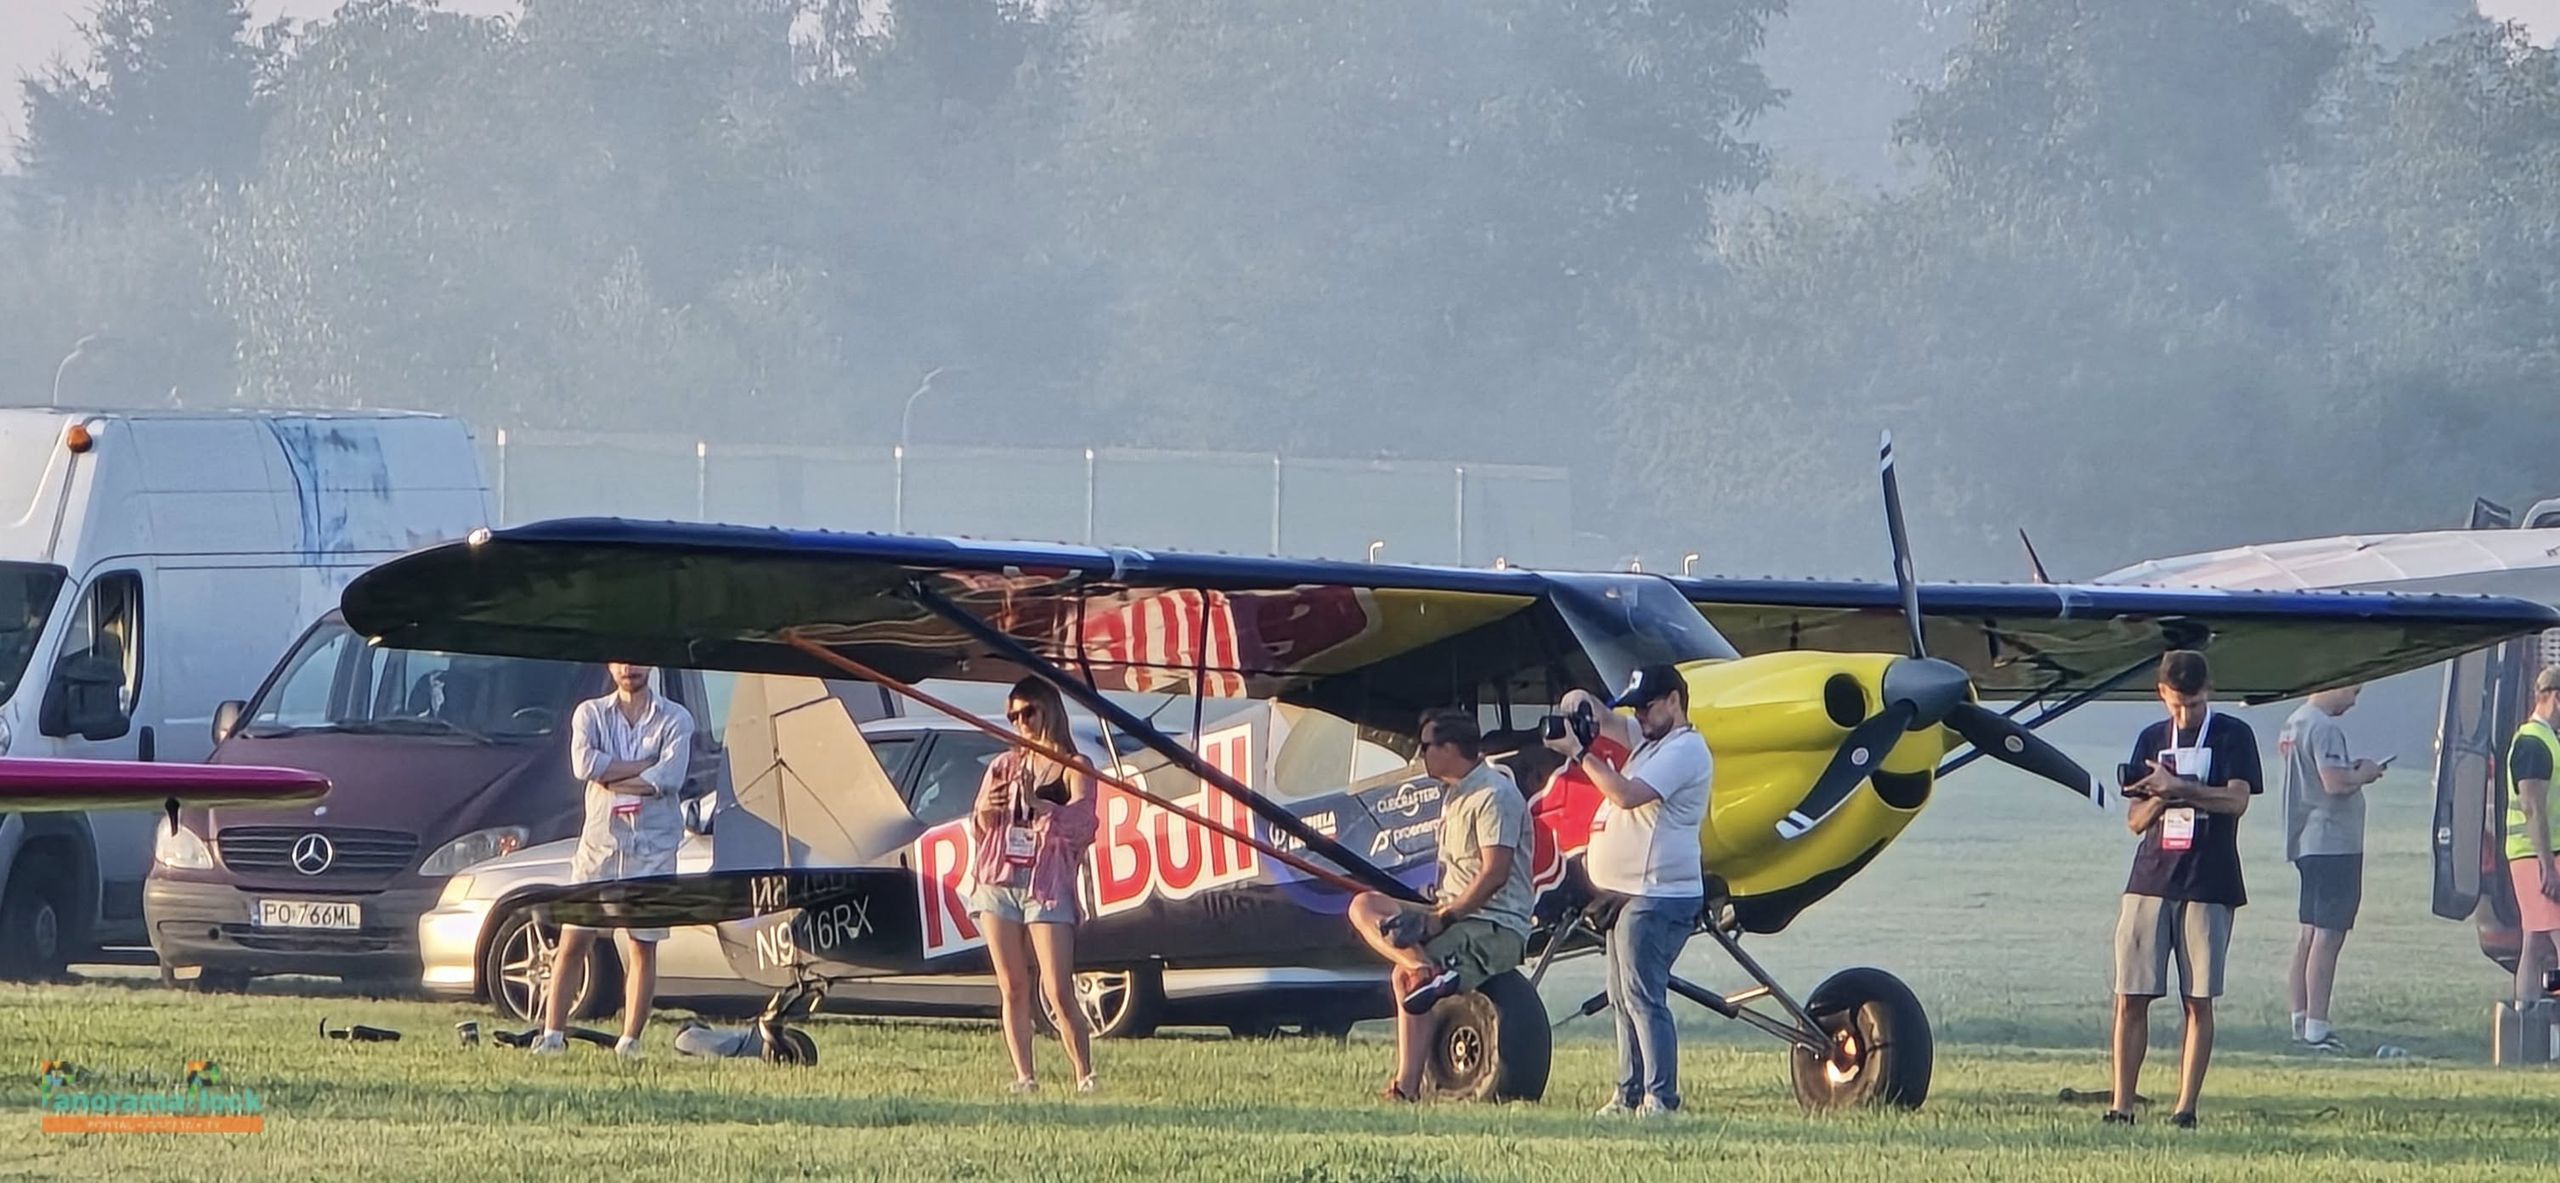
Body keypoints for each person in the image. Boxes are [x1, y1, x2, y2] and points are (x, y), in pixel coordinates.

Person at [2106, 650, 2261, 1129]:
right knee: (2130, 995)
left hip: (2209, 882)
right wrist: (2160, 796)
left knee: (2198, 998)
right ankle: (2121, 1105)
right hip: (2151, 879)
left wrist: (2181, 788)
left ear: (2208, 692)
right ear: (2161, 695)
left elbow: (2236, 800)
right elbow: (2134, 822)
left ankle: (2185, 1108)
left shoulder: (2234, 734)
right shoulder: (2151, 738)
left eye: (2192, 705)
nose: (2183, 714)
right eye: (2176, 704)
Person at [1346, 708, 1534, 1103]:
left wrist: (1441, 919)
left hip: (1492, 923)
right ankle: (1424, 969)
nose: (1421, 754)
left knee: (1402, 980)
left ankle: (1405, 1087)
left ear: (1450, 748)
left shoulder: (1494, 794)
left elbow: (1494, 873)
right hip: (1451, 914)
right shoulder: (1458, 794)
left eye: (1427, 746)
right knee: (1364, 905)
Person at [1548, 665, 1712, 1116]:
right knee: (1622, 998)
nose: (1639, 715)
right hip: (1627, 892)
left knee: (1643, 997)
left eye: (1648, 706)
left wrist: (1580, 754)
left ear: (1675, 701)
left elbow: (1625, 795)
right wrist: (1577, 704)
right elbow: (1606, 717)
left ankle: (1661, 1098)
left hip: (1658, 893)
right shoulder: (1649, 743)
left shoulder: (1686, 750)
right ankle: (1628, 1094)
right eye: (1635, 707)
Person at [532, 661, 695, 1058]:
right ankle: (553, 1036)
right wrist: (644, 770)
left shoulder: (676, 718)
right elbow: (583, 766)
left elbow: (669, 779)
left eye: (638, 661)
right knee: (573, 940)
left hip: (652, 848)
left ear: (653, 665)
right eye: (621, 660)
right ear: (610, 664)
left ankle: (630, 1042)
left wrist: (612, 775)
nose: (629, 669)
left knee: (642, 945)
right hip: (600, 846)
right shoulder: (590, 713)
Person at [966, 676, 1101, 1095]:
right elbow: (980, 827)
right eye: (1013, 715)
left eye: (1028, 713)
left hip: (1047, 884)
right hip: (1000, 879)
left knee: (1057, 988)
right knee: (1012, 985)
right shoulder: (1003, 767)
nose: (1020, 722)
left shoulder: (1075, 766)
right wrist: (986, 812)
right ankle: (1025, 1077)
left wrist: (1043, 807)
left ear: (1049, 711)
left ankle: (1084, 1074)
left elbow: (1085, 824)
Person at [2279, 684, 2385, 1052]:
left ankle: (2300, 1017)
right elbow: (2334, 782)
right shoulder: (2324, 727)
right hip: (2333, 842)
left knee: (2308, 932)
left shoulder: (2294, 723)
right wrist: (2365, 773)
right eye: (2353, 691)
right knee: (2329, 934)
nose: (2353, 701)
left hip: (2306, 838)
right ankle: (2317, 1028)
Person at [2504, 665, 2560, 1014]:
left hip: (2538, 854)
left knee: (2535, 940)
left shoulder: (2547, 740)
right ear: (2555, 697)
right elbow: (2532, 807)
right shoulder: (2532, 743)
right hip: (2535, 854)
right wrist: (2547, 866)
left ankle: (2526, 1013)